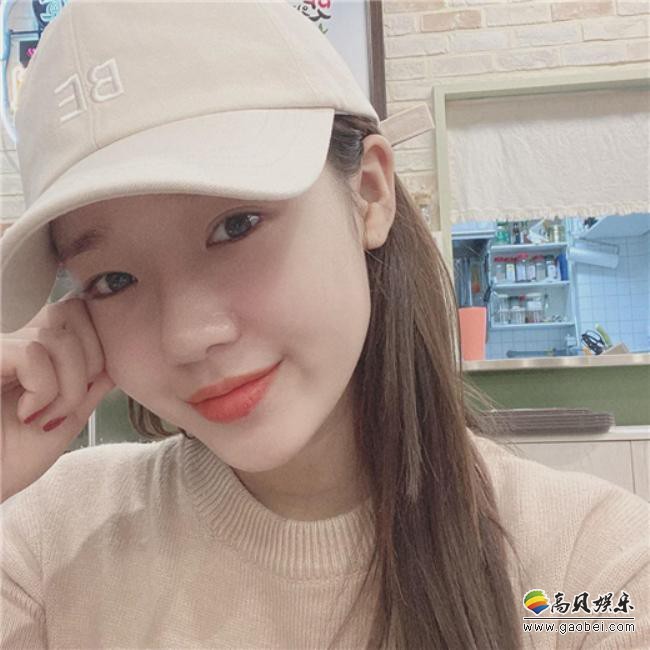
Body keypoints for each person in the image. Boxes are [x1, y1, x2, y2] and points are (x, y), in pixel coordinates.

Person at [0, 1, 647, 648]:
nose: (187, 337)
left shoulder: (588, 568)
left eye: (235, 226)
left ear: (369, 192)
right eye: (113, 280)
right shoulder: (43, 545)